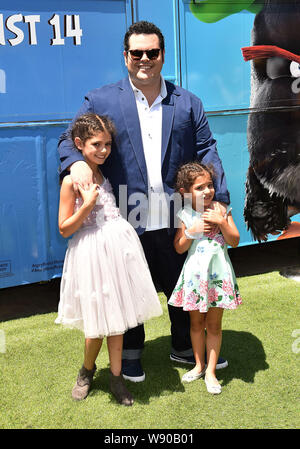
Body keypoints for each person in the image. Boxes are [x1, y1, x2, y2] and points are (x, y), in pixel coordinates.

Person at [57, 20, 230, 382]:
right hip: (124, 213)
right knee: (128, 285)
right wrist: (75, 165)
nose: (145, 59)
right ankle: (131, 355)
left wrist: (219, 202)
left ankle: (184, 346)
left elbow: (207, 150)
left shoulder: (187, 102)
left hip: (173, 212)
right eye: (137, 53)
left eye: (152, 52)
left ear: (163, 55)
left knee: (179, 280)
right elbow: (66, 139)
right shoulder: (101, 99)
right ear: (126, 56)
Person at [55, 113, 163, 404]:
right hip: (91, 255)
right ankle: (87, 370)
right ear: (78, 144)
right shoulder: (71, 182)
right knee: (96, 326)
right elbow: (64, 227)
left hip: (118, 250)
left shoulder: (104, 173)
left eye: (107, 144)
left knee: (118, 321)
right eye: (96, 145)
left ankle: (116, 378)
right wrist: (87, 204)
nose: (103, 150)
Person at [168, 162, 242, 394]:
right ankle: (199, 365)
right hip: (194, 278)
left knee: (214, 325)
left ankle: (211, 371)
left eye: (210, 185)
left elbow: (235, 240)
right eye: (200, 187)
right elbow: (179, 248)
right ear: (185, 192)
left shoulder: (221, 208)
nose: (208, 190)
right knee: (196, 324)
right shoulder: (185, 214)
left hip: (218, 277)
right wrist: (193, 230)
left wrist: (221, 222)